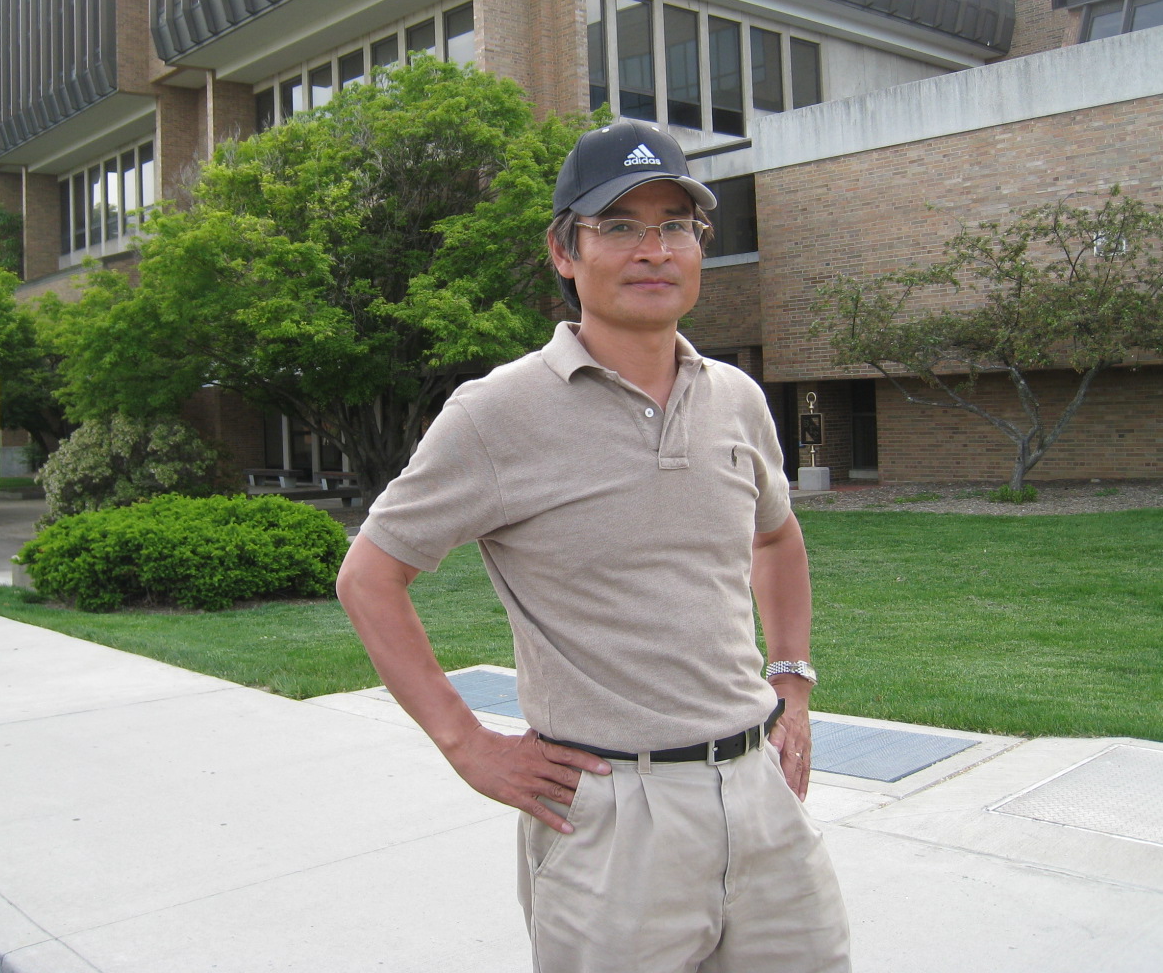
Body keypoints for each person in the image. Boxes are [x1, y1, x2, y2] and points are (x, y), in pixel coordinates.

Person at [337, 119, 850, 972]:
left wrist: (791, 680)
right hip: (612, 817)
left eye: (675, 225)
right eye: (618, 225)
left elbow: (776, 538)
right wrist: (467, 743)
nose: (653, 250)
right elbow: (368, 577)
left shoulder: (737, 397)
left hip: (763, 796)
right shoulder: (496, 415)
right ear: (564, 251)